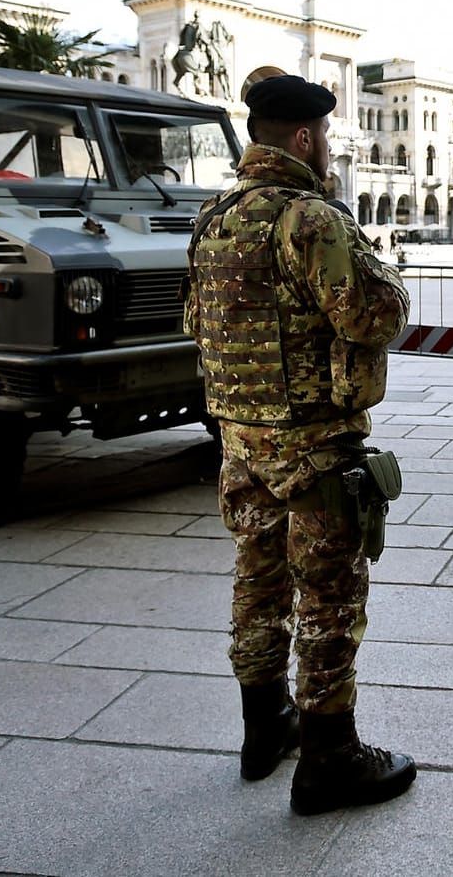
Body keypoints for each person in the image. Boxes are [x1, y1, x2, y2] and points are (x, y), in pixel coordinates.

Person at [187, 74, 416, 815]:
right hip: (314, 448)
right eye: (324, 139)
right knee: (327, 597)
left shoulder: (214, 218)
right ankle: (330, 757)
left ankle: (265, 730)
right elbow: (373, 318)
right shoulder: (309, 219)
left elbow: (197, 320)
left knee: (256, 586)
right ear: (307, 139)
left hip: (241, 444)